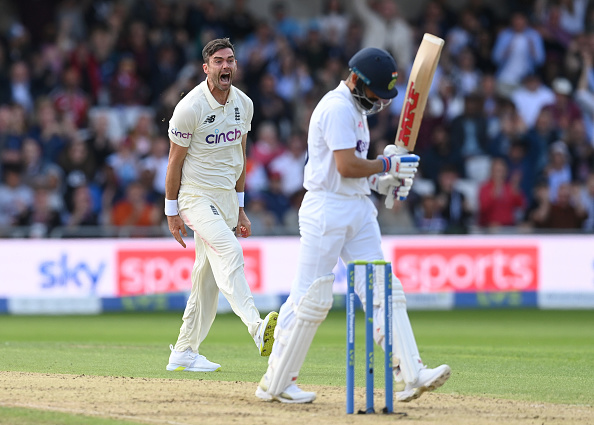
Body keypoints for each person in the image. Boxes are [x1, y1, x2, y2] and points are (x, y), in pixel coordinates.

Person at [255, 47, 450, 403]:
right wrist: (386, 166)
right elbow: (345, 166)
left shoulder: (357, 111)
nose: (378, 101)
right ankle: (276, 381)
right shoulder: (336, 108)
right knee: (309, 298)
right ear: (357, 80)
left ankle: (410, 372)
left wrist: (384, 180)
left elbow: (356, 174)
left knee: (383, 289)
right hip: (326, 210)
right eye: (375, 92)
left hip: (357, 209)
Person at [164, 38, 278, 372]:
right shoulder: (190, 107)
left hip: (226, 199)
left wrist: (240, 207)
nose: (225, 66)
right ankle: (257, 328)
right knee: (230, 251)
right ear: (206, 68)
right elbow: (173, 163)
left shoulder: (245, 104)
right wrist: (172, 213)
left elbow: (238, 157)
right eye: (218, 61)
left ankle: (184, 351)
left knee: (207, 280)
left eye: (230, 60)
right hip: (195, 196)